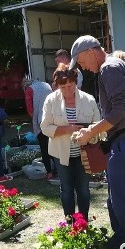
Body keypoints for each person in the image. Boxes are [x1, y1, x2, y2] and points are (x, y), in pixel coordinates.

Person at [69, 35, 125, 249]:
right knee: (114, 199)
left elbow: (119, 112)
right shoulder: (113, 66)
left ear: (91, 51)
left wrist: (90, 132)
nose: (82, 67)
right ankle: (122, 238)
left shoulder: (109, 68)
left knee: (120, 200)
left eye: (81, 61)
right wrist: (96, 131)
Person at [41, 64, 100, 221]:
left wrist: (89, 134)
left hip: (84, 153)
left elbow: (98, 125)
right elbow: (45, 128)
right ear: (57, 85)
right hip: (61, 153)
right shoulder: (51, 100)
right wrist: (67, 129)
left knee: (83, 189)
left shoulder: (89, 99)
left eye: (70, 85)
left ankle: (82, 222)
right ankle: (69, 223)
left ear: (76, 82)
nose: (67, 89)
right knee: (66, 189)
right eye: (63, 86)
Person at [23, 77, 54, 178]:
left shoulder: (29, 90)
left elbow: (30, 109)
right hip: (53, 118)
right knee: (54, 146)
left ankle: (49, 172)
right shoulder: (47, 85)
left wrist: (34, 120)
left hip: (40, 121)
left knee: (44, 148)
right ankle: (60, 169)